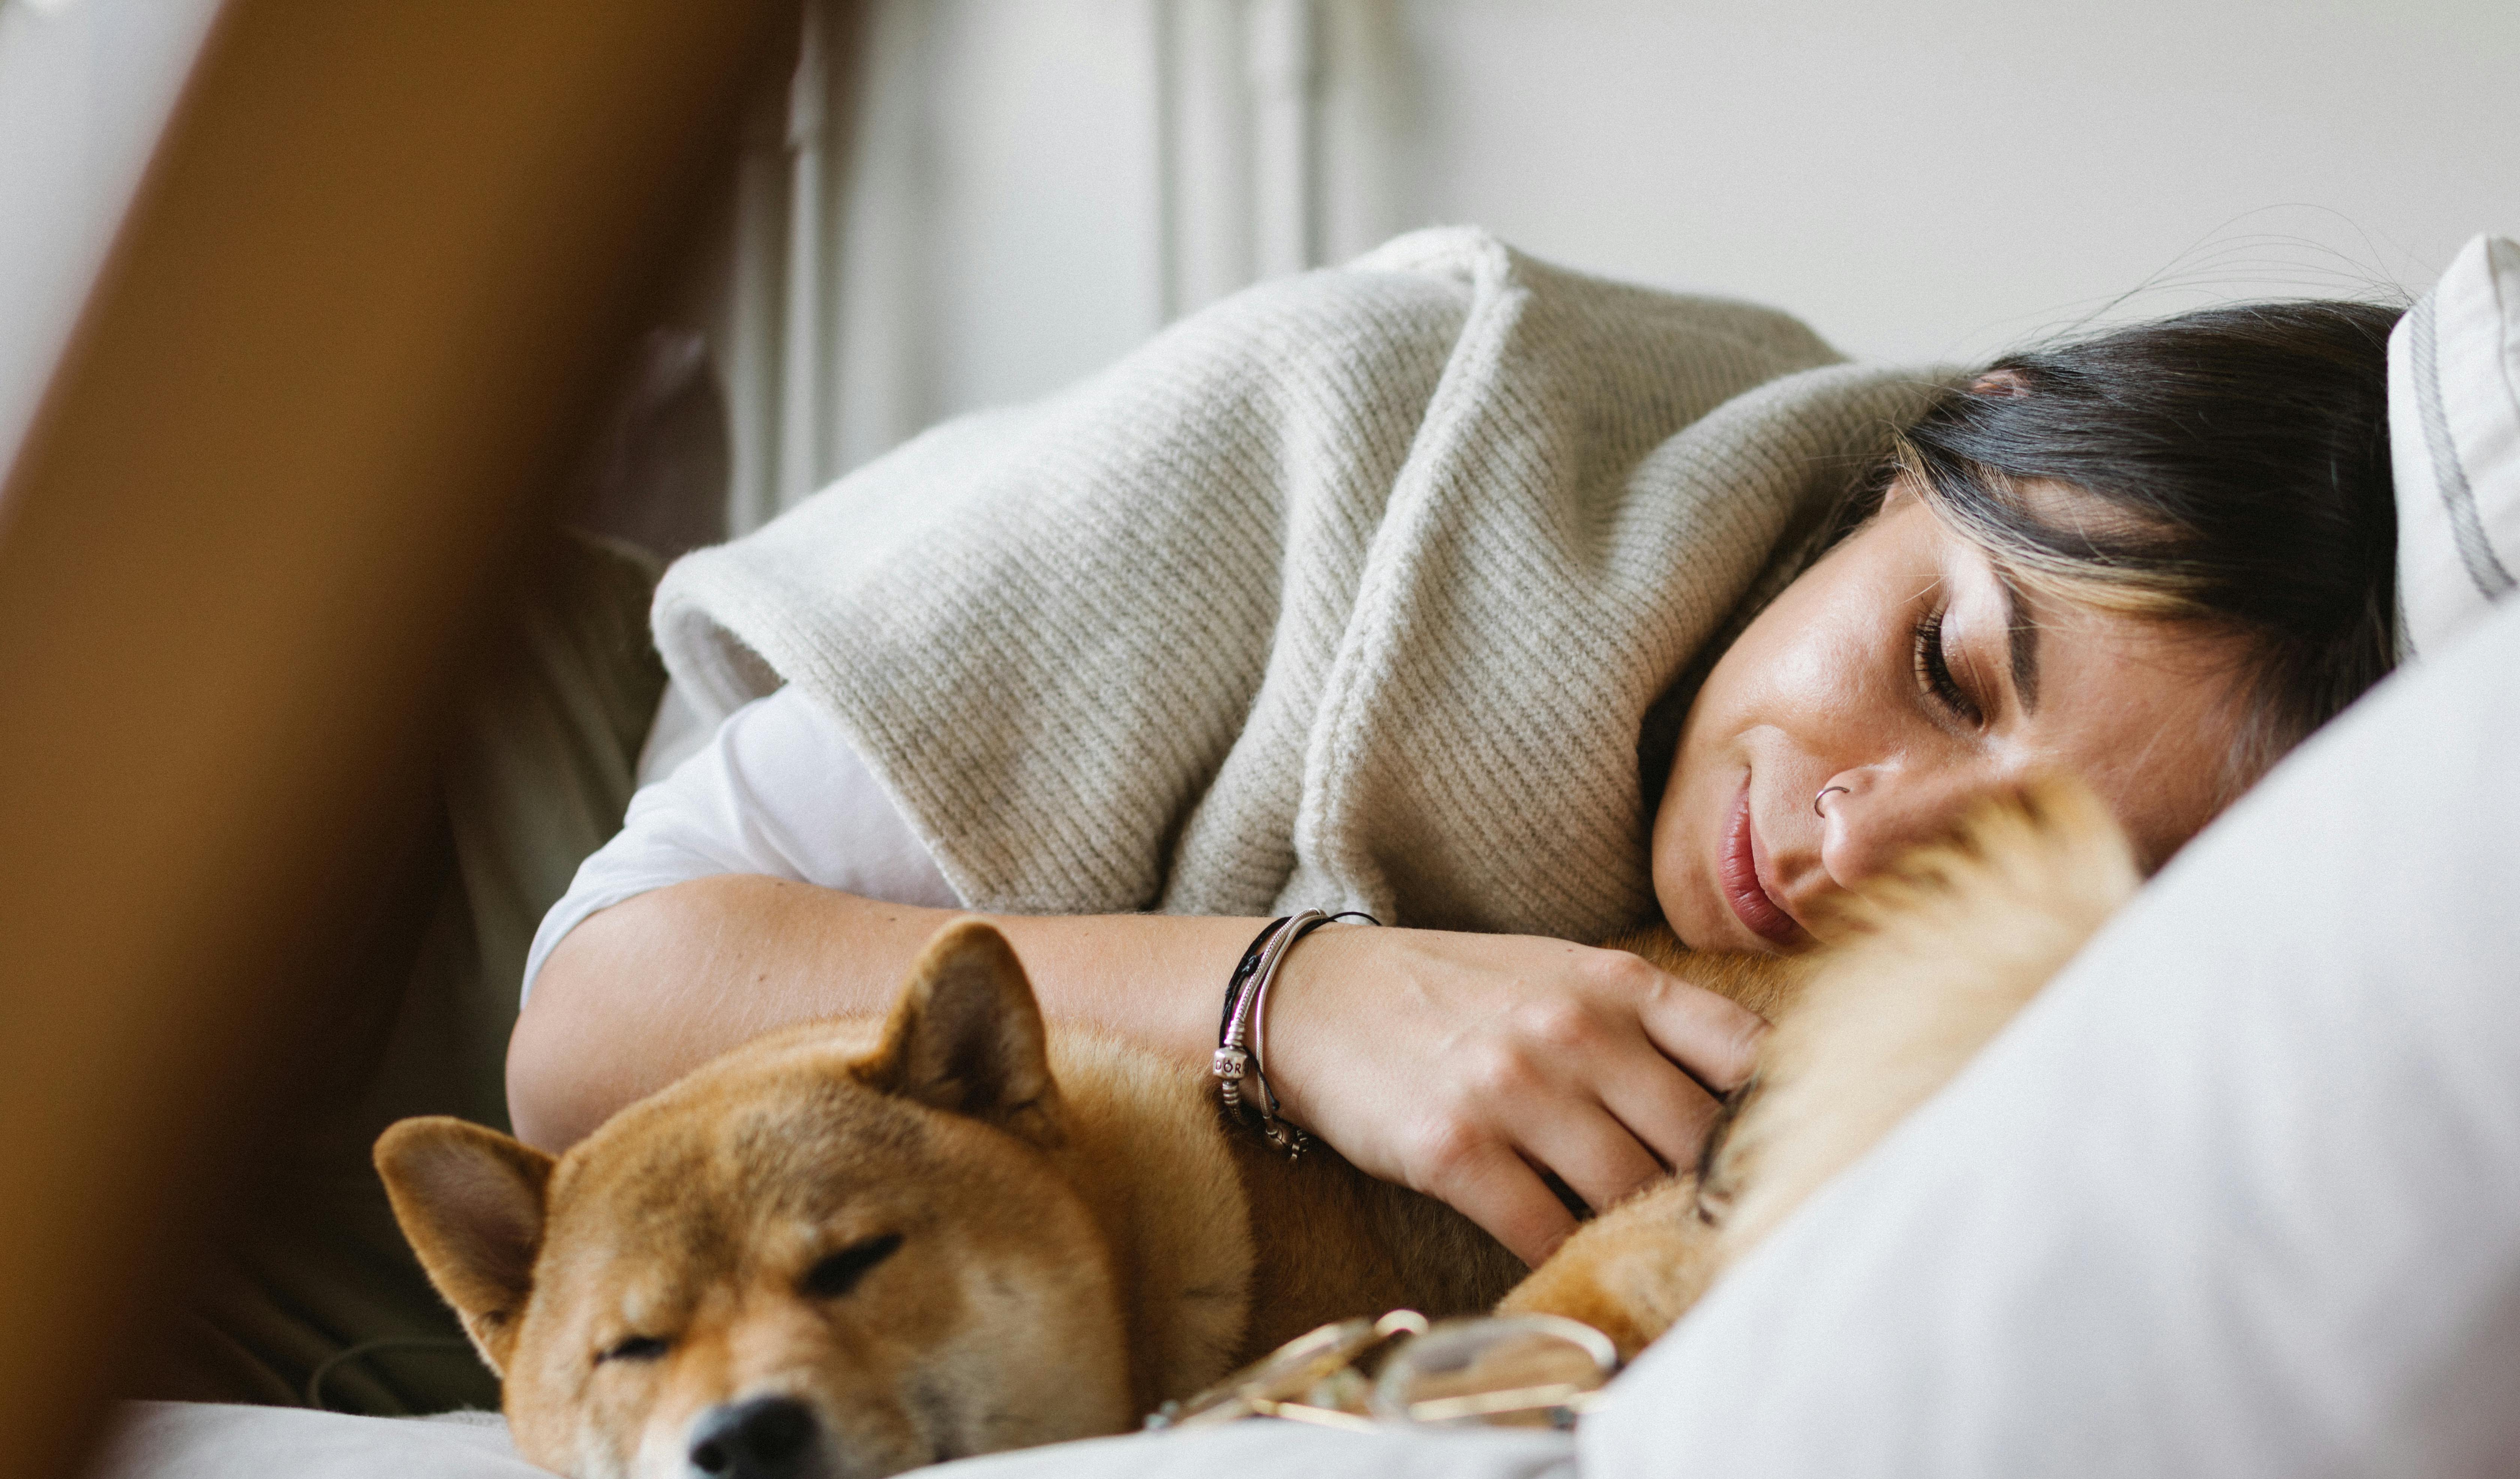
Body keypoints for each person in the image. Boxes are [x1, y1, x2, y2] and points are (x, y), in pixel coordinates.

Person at [510, 286, 2400, 1269]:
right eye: (1944, 662)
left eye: (2031, 861)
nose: (1854, 848)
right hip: (418, 896)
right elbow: (596, 1019)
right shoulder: (1380, 414)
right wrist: (1295, 991)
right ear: (1960, 433)